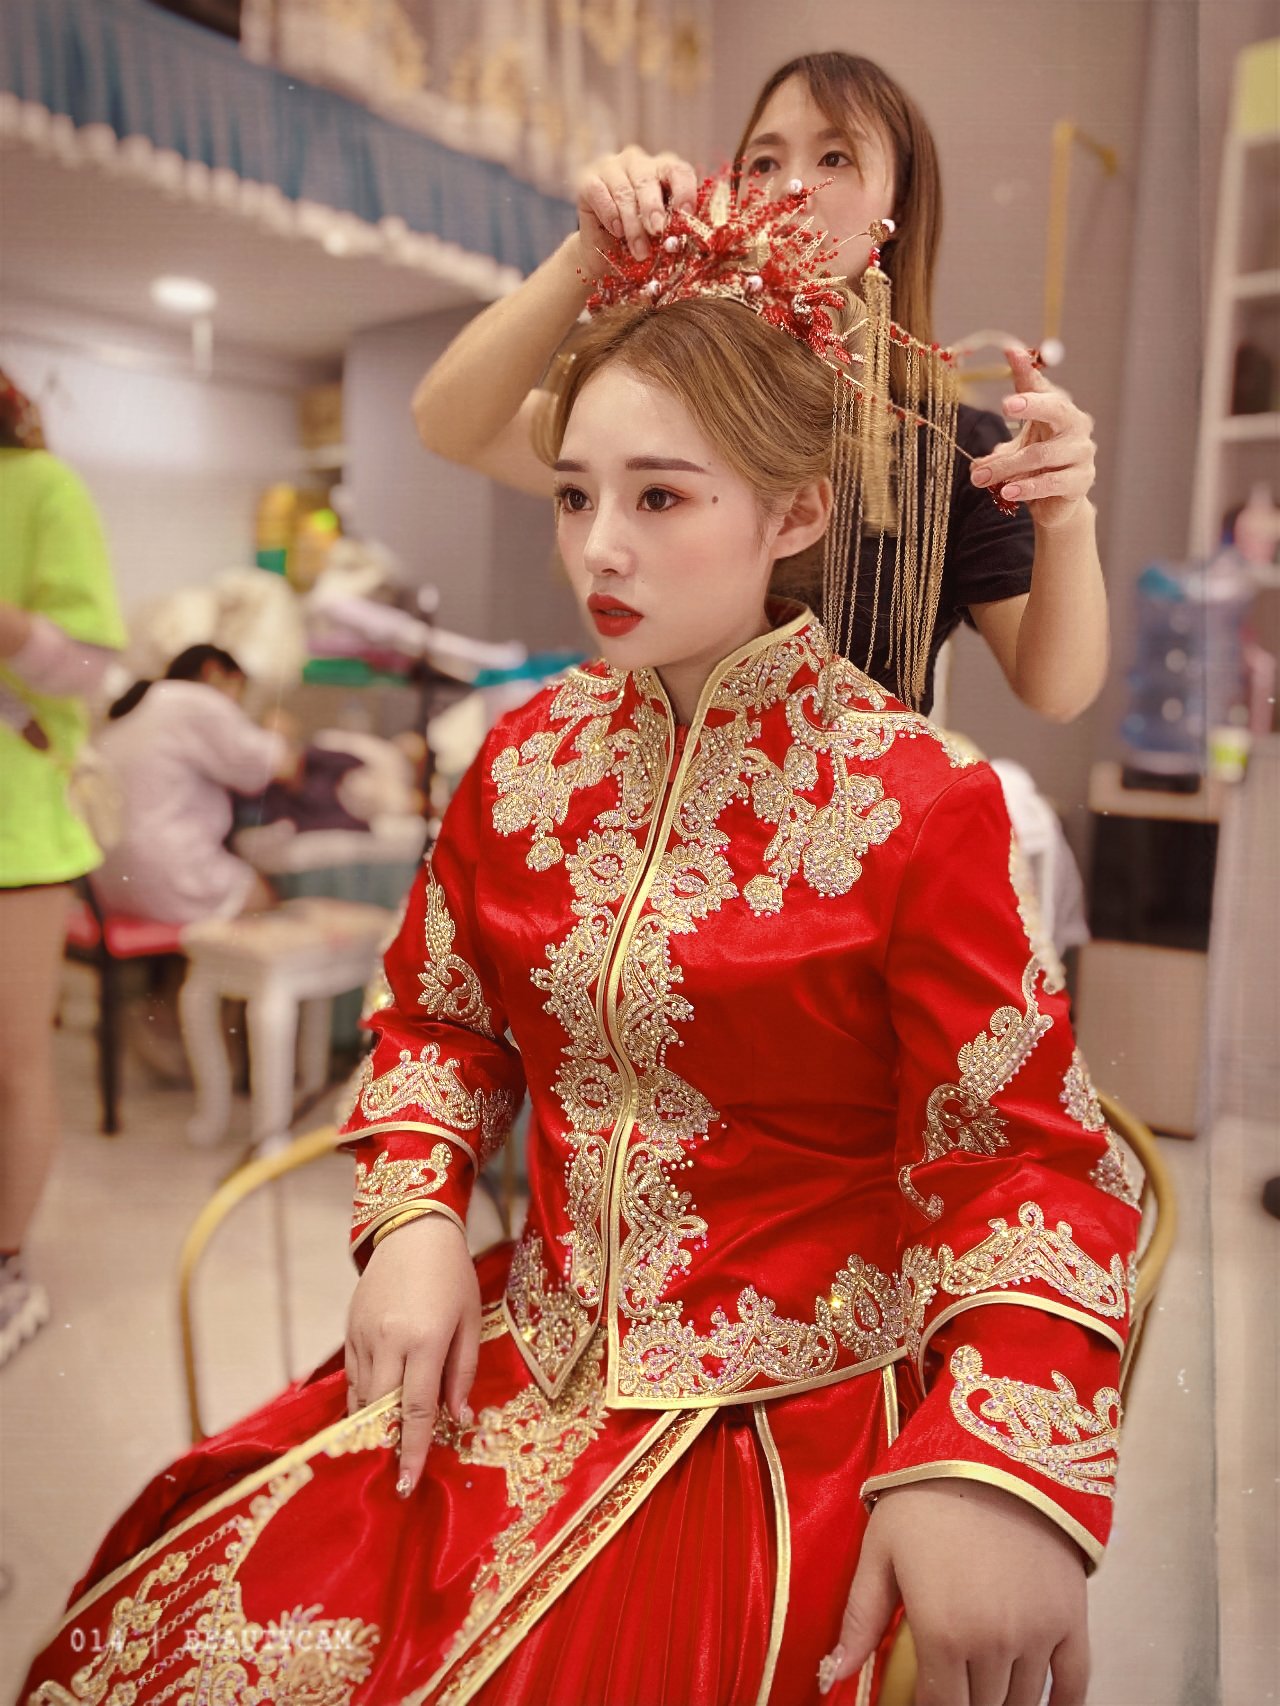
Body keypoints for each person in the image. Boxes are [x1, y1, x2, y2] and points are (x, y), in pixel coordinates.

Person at [20, 189, 1140, 1706]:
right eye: (571, 496)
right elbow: (437, 1020)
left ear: (796, 515)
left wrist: (993, 1461)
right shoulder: (524, 757)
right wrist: (415, 1220)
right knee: (169, 1641)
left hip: (781, 1414)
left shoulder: (911, 797)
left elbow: (1023, 1160)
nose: (599, 548)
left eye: (660, 497)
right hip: (514, 1346)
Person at [412, 50, 1107, 723]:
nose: (789, 188)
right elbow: (446, 424)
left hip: (855, 802)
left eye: (834, 158)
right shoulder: (676, 405)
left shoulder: (956, 453)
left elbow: (1057, 691)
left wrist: (1067, 519)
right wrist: (587, 255)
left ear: (900, 199)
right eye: (764, 163)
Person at [0, 372, 125, 1369]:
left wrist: (8, 626)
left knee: (11, 1062)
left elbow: (91, 670)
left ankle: (6, 1266)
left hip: (16, 826)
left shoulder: (39, 487)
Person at [90, 644, 295, 927]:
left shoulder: (135, 709)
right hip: (167, 874)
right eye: (238, 691)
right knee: (272, 900)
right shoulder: (193, 700)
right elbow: (270, 765)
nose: (236, 707)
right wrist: (279, 732)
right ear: (213, 671)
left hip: (108, 885)